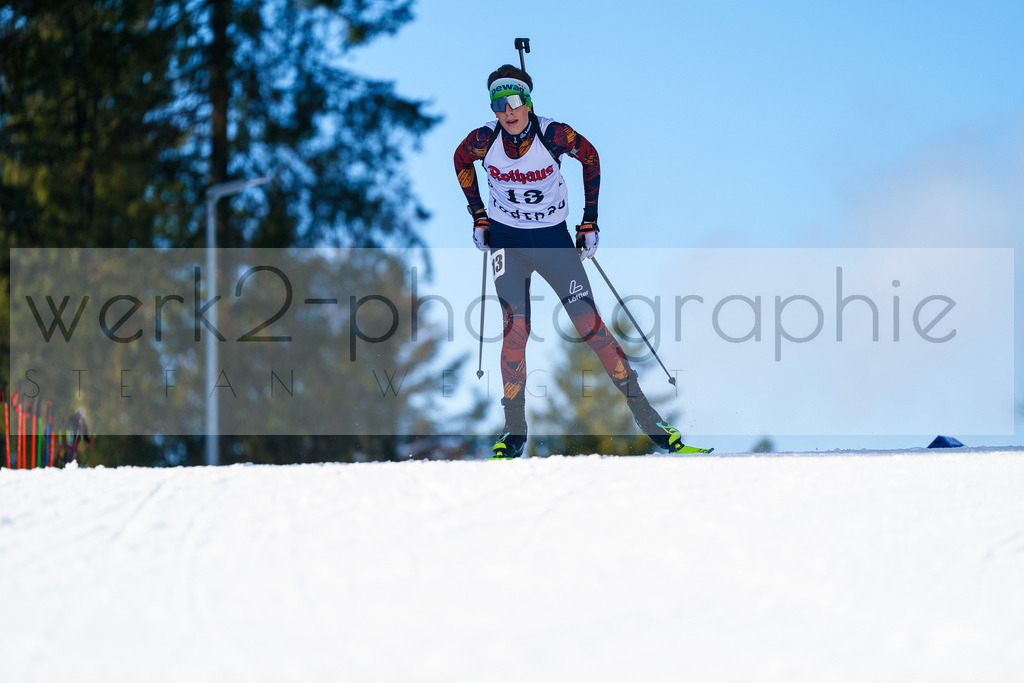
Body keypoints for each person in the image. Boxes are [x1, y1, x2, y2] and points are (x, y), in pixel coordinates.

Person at [453, 64, 701, 459]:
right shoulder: (484, 140)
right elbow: (460, 160)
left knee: (590, 326)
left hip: (553, 240)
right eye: (499, 104)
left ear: (528, 102)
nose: (508, 111)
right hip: (507, 243)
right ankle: (513, 433)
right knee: (514, 328)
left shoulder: (553, 135)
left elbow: (591, 158)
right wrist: (478, 215)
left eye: (515, 101)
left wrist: (590, 221)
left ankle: (651, 422)